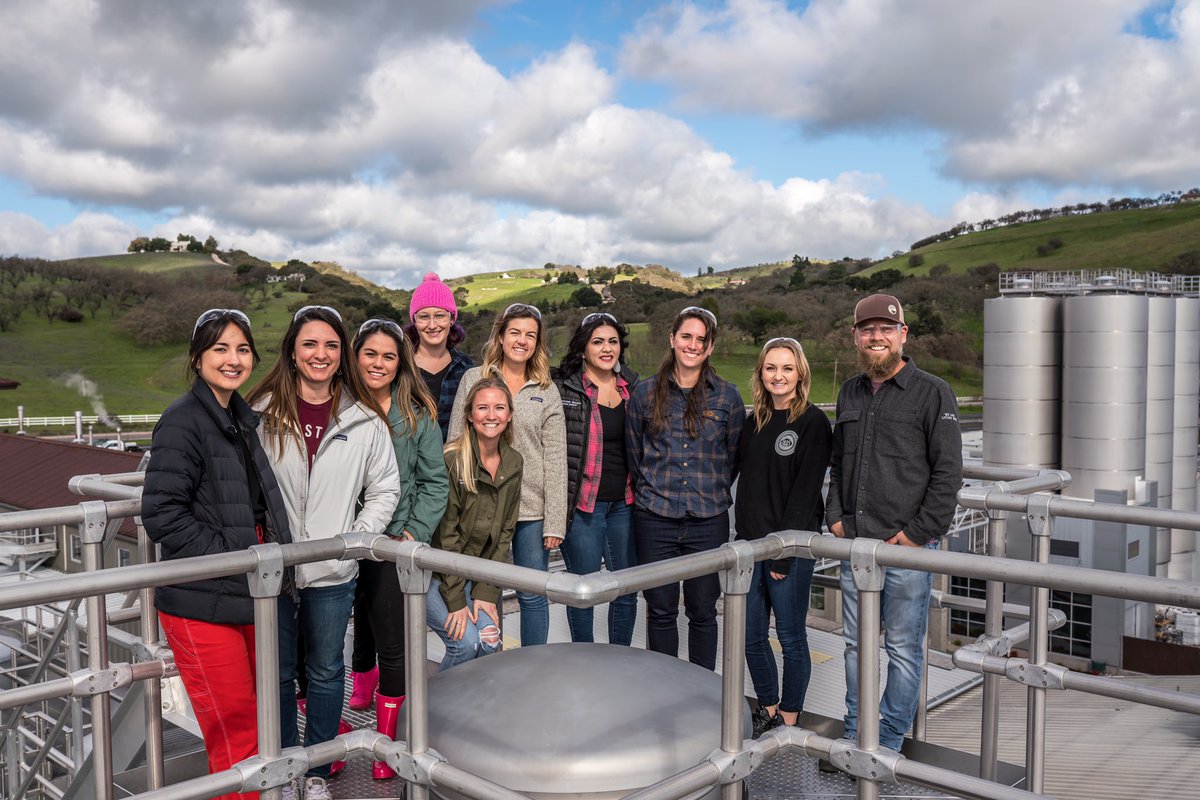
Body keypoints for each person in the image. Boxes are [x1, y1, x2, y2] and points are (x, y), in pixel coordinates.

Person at [246, 305, 400, 800]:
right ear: (293, 350)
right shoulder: (261, 412)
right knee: (279, 672)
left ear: (342, 356)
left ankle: (319, 769)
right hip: (275, 568)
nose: (321, 354)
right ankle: (288, 767)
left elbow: (385, 489)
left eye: (331, 345)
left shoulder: (363, 418)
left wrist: (356, 538)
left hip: (334, 568)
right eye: (310, 344)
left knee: (327, 669)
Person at [142, 309, 292, 800]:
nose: (233, 359)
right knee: (236, 734)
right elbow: (163, 515)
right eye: (220, 349)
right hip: (203, 599)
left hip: (244, 590)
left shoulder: (238, 418)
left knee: (256, 725)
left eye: (242, 349)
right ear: (197, 357)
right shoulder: (182, 421)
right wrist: (239, 557)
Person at [825, 294, 962, 754]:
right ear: (856, 338)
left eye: (887, 329)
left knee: (903, 651)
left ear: (903, 334)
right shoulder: (849, 391)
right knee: (854, 647)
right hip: (856, 548)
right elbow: (838, 463)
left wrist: (916, 535)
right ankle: (853, 734)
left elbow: (948, 475)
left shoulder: (933, 391)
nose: (876, 337)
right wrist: (836, 520)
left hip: (906, 549)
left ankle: (885, 740)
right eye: (868, 330)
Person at [349, 317, 448, 779]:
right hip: (341, 541)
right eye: (370, 353)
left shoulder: (417, 413)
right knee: (338, 634)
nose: (379, 363)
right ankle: (357, 687)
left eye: (389, 355)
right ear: (355, 355)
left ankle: (388, 742)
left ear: (401, 361)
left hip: (392, 541)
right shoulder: (338, 405)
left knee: (393, 640)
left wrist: (411, 534)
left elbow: (433, 482)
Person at [626, 306, 745, 669]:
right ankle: (665, 689)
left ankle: (702, 692)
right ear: (672, 339)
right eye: (687, 336)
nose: (692, 345)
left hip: (707, 520)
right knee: (660, 610)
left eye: (701, 340)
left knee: (703, 611)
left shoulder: (728, 397)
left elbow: (733, 457)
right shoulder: (644, 394)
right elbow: (635, 455)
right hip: (655, 518)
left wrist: (705, 492)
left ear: (709, 349)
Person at [448, 303, 567, 647]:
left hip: (530, 509)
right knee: (486, 589)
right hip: (481, 505)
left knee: (532, 594)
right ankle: (490, 659)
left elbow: (556, 458)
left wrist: (555, 521)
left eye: (530, 335)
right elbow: (456, 441)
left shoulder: (546, 390)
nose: (522, 340)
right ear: (500, 336)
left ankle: (533, 667)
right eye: (515, 332)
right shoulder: (474, 379)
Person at [734, 338, 832, 738]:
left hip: (786, 551)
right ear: (761, 373)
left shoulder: (812, 423)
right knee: (751, 636)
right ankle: (769, 708)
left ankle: (790, 719)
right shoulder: (752, 420)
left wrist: (784, 555)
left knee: (790, 637)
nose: (778, 375)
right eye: (771, 368)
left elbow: (806, 492)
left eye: (787, 368)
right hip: (749, 548)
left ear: (800, 374)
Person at [552, 312, 640, 644]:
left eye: (613, 341)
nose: (607, 349)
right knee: (583, 591)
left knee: (626, 588)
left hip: (625, 504)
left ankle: (620, 658)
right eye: (598, 341)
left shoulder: (633, 386)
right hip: (584, 507)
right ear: (583, 347)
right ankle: (584, 659)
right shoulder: (565, 387)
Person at [428, 377, 523, 668]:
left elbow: (505, 533)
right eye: (483, 408)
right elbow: (446, 537)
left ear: (509, 415)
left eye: (499, 408)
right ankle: (433, 712)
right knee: (466, 643)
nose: (491, 415)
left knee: (490, 640)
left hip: (478, 575)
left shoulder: (513, 462)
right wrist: (456, 601)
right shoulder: (453, 460)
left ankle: (471, 711)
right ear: (470, 415)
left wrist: (485, 593)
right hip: (438, 576)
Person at [405, 272, 474, 440]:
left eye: (439, 315)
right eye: (424, 317)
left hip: (454, 463)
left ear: (451, 319)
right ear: (414, 321)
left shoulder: (466, 368)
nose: (432, 325)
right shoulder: (401, 365)